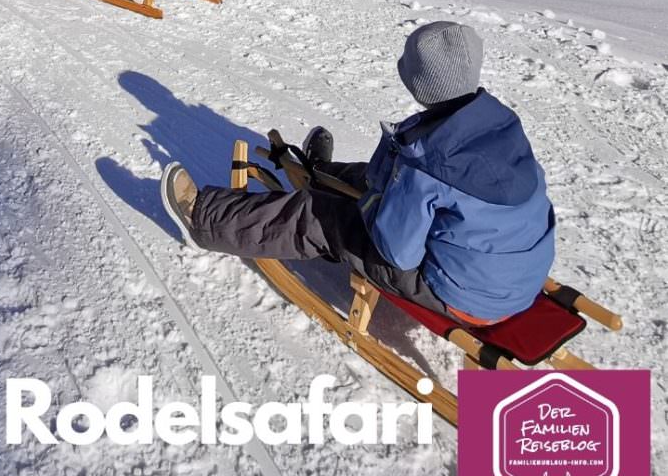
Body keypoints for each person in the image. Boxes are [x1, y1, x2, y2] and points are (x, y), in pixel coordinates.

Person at [161, 21, 556, 325]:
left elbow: (397, 252)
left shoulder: (431, 162)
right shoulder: (496, 125)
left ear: (420, 84)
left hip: (465, 296)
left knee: (320, 216)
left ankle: (205, 219)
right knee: (375, 180)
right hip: (519, 278)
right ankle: (320, 172)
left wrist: (368, 208)